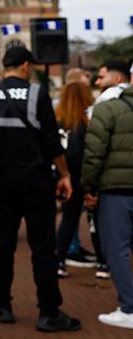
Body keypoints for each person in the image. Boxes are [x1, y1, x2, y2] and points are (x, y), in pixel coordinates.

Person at [0, 46, 80, 332]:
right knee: (43, 248)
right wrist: (65, 175)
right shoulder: (37, 94)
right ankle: (49, 312)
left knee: (4, 244)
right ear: (24, 66)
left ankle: (1, 304)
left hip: (0, 180)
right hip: (35, 180)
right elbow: (51, 142)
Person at [82, 66, 133, 329]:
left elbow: (94, 153)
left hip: (116, 189)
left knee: (117, 251)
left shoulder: (107, 108)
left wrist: (88, 188)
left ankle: (129, 308)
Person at [53, 81, 102, 278]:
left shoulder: (58, 122)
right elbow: (86, 155)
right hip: (82, 177)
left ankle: (59, 261)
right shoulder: (85, 125)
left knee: (68, 219)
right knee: (94, 220)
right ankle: (103, 263)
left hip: (64, 177)